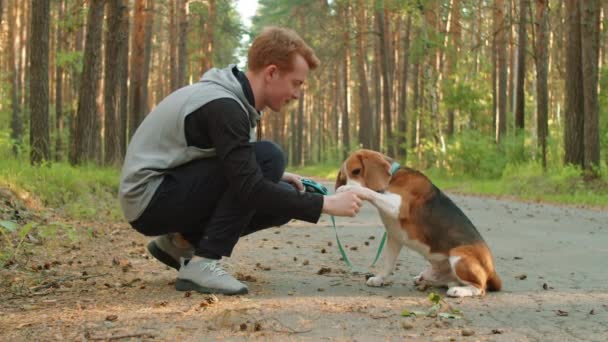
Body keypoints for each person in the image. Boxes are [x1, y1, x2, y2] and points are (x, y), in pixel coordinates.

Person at [118, 26, 365, 295]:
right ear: (272, 73)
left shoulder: (234, 100)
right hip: (149, 199)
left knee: (284, 193)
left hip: (163, 192)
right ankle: (204, 263)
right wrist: (326, 203)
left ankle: (179, 243)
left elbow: (220, 159)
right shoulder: (224, 105)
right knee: (269, 158)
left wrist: (280, 178)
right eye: (296, 83)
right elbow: (249, 187)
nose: (297, 94)